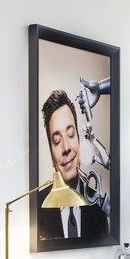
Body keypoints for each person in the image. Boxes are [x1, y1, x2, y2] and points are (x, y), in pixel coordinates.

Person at [37, 89, 109, 240]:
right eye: (57, 141)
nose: (66, 148)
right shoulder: (36, 207)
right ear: (51, 155)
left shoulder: (98, 208)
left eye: (70, 135)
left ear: (78, 139)